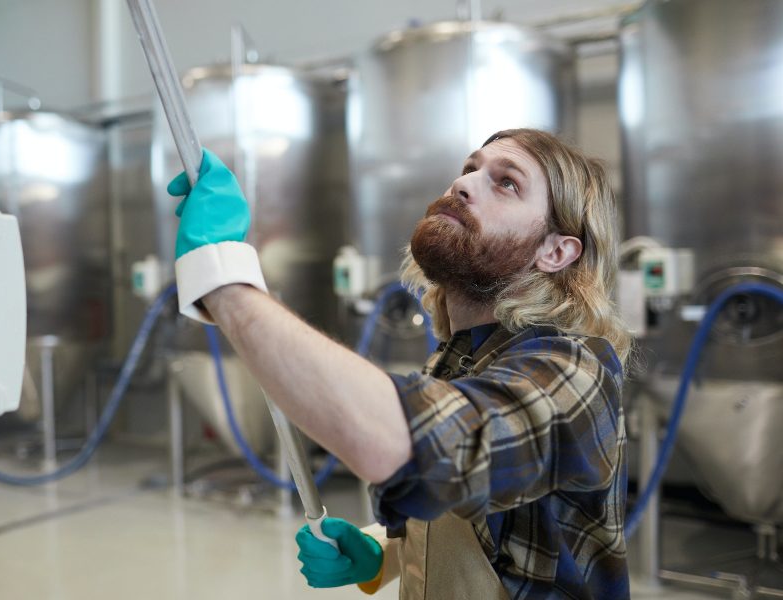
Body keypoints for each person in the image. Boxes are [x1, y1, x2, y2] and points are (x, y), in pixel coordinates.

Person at [167, 128, 631, 599]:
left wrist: (223, 280)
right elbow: (468, 497)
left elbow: (424, 446)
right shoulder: (460, 356)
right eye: (470, 169)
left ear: (556, 251)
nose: (463, 184)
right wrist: (381, 553)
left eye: (507, 183)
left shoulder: (574, 369)